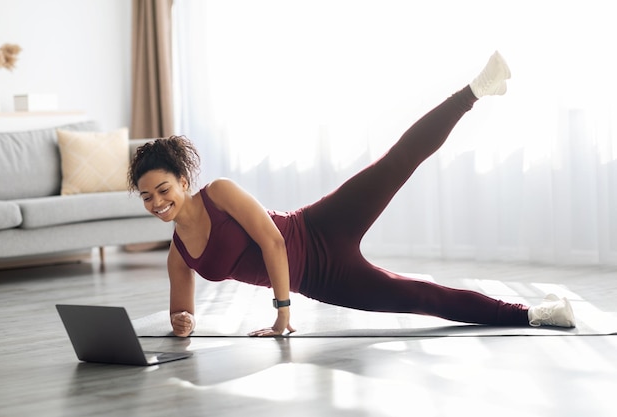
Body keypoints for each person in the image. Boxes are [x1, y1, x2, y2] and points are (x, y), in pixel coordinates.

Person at [128, 51, 576, 337]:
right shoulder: (177, 255)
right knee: (420, 297)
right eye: (147, 197)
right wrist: (182, 323)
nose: (157, 202)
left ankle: (476, 89)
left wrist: (282, 314)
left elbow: (273, 241)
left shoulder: (219, 193)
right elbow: (181, 318)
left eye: (162, 189)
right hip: (322, 280)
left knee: (396, 162)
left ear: (183, 183)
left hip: (317, 226)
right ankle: (535, 314)